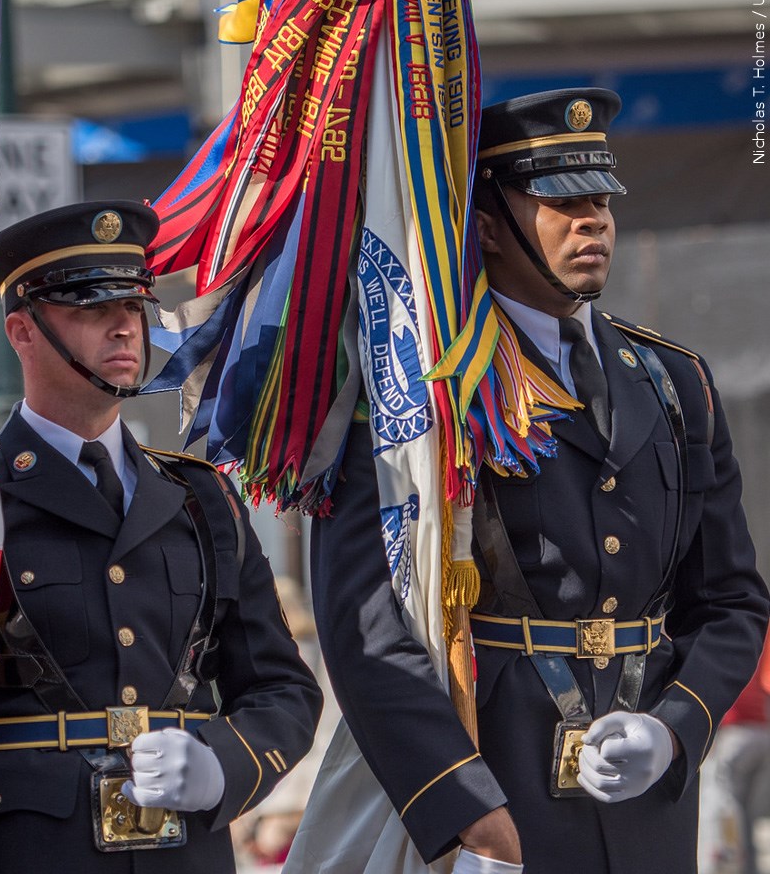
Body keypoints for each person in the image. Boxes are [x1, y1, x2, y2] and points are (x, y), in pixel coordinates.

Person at [308, 89, 769, 873]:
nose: (592, 220)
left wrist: (677, 725)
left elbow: (728, 601)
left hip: (647, 799)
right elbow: (366, 628)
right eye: (559, 200)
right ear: (485, 227)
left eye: (601, 198)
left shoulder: (674, 381)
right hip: (500, 790)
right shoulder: (423, 396)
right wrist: (464, 808)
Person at [0, 200, 322, 873]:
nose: (123, 326)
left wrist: (224, 765)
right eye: (90, 307)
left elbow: (282, 687)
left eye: (132, 307)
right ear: (22, 330)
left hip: (182, 853)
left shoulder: (199, 496)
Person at [697, 629, 770, 874]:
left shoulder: (728, 640)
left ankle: (718, 864)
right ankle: (745, 868)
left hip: (735, 735)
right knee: (746, 816)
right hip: (763, 733)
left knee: (720, 806)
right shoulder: (758, 633)